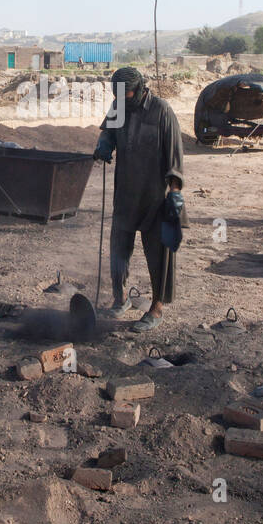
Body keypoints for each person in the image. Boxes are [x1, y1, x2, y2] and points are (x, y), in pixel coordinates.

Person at [93, 67, 186, 333]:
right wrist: (103, 146)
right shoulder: (118, 106)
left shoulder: (161, 111)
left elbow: (175, 157)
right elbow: (108, 133)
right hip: (125, 193)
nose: (122, 99)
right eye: (118, 95)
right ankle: (120, 298)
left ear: (140, 88)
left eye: (127, 93)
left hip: (154, 197)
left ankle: (156, 307)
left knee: (158, 254)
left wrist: (175, 194)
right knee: (118, 249)